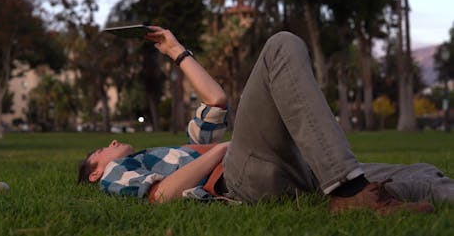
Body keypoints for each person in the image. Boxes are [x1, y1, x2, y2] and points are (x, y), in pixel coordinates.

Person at [78, 26, 453, 214]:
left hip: (289, 169)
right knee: (281, 46)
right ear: (96, 172)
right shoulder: (115, 174)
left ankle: (364, 187)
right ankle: (348, 192)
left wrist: (174, 49)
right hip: (239, 176)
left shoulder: (172, 152)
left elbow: (216, 100)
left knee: (420, 173)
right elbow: (163, 195)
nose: (110, 145)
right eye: (101, 151)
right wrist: (222, 148)